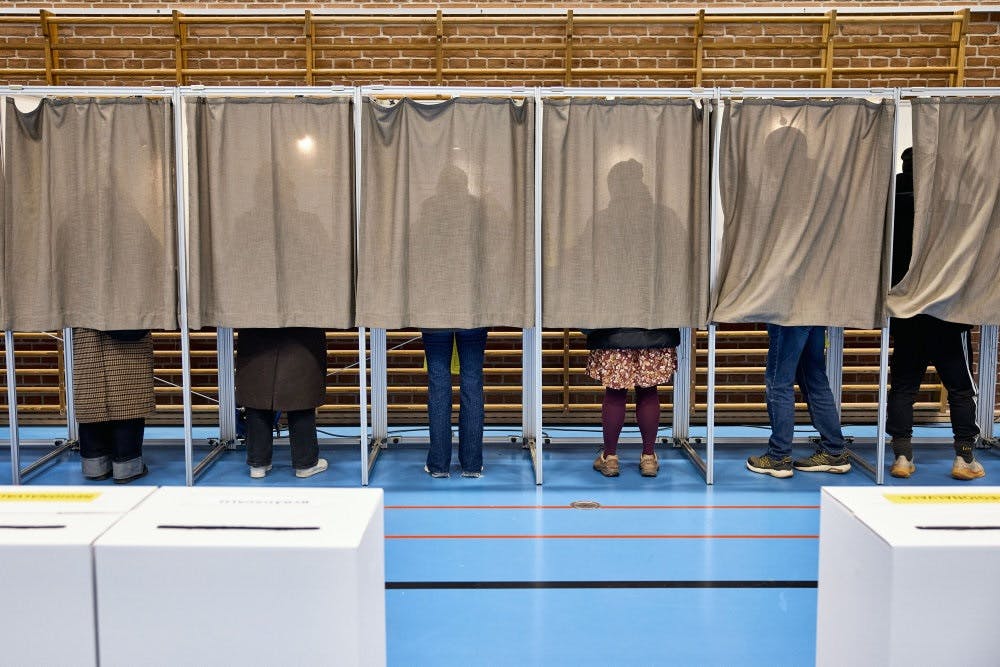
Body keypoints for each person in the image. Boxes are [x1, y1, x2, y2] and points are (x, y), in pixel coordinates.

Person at [886, 147, 984, 480]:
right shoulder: (952, 205)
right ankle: (965, 458)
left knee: (903, 386)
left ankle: (901, 457)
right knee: (959, 387)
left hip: (905, 309)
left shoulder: (890, 204)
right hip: (947, 312)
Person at [746, 325, 852, 478]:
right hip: (815, 314)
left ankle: (778, 457)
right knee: (816, 382)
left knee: (779, 382)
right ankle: (834, 452)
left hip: (789, 315)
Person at [235, 328, 328, 479]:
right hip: (301, 330)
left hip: (256, 327)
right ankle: (305, 463)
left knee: (258, 392)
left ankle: (258, 464)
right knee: (300, 395)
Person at [587, 328, 679, 478]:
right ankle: (648, 459)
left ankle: (610, 459)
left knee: (615, 392)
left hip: (614, 334)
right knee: (648, 391)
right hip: (654, 334)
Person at [74, 328, 153, 484]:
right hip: (130, 335)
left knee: (92, 396)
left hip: (88, 336)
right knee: (128, 400)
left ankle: (95, 466)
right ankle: (127, 466)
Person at [422, 328, 488, 479]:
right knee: (472, 383)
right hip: (473, 317)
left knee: (438, 384)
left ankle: (439, 466)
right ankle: (472, 466)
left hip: (435, 317)